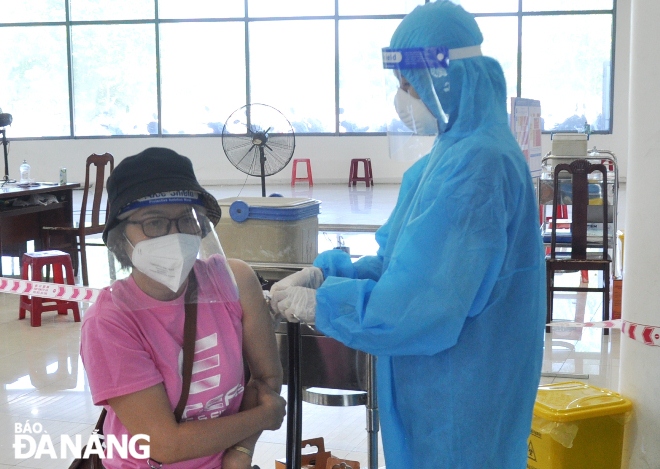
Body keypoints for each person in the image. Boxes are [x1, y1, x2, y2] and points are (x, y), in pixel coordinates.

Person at [270, 2, 545, 468]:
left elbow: (425, 304)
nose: (402, 100)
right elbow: (400, 262)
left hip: (462, 393)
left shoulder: (477, 166)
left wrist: (325, 304)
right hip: (441, 387)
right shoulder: (448, 156)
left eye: (409, 85)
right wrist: (325, 273)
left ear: (449, 80)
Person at [81, 147, 286, 469]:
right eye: (154, 223)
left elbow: (266, 378)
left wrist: (241, 452)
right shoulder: (110, 322)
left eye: (186, 220)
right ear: (122, 238)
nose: (174, 235)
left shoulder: (233, 282)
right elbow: (164, 444)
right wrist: (264, 417)